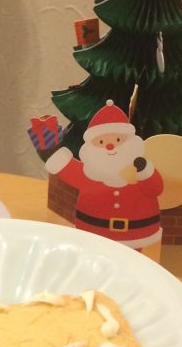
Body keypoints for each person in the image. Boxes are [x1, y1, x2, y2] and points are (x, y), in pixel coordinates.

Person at [41, 101, 164, 251]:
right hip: (94, 234)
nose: (110, 146)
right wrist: (49, 150)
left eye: (118, 140)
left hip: (138, 235)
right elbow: (64, 167)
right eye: (101, 141)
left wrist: (144, 170)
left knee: (133, 261)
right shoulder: (89, 174)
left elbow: (155, 188)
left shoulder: (139, 170)